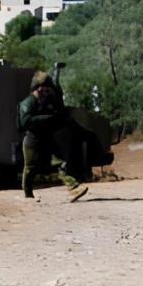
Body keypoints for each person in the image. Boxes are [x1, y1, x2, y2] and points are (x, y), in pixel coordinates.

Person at [19, 71, 89, 202]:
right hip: (33, 140)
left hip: (47, 138)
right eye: (45, 86)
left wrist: (58, 96)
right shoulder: (28, 102)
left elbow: (60, 115)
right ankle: (28, 193)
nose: (47, 89)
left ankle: (73, 188)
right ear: (37, 87)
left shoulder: (49, 100)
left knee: (60, 162)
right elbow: (25, 121)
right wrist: (47, 118)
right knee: (30, 168)